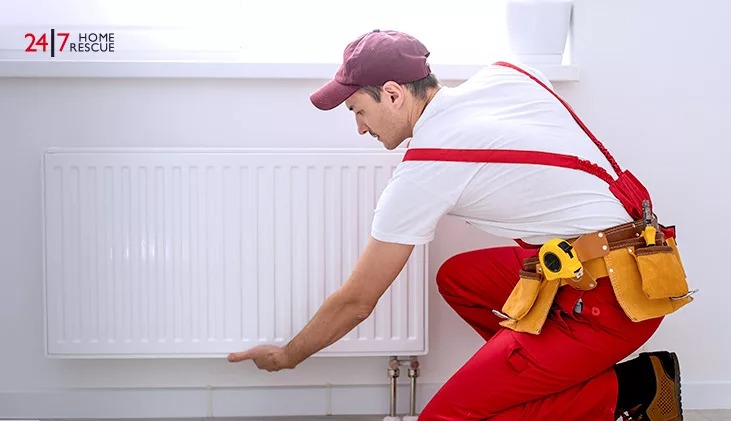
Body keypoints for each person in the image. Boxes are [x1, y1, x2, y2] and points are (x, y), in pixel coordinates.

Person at [227, 29, 693, 421]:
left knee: (447, 418)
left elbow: (356, 301)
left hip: (611, 304)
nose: (361, 130)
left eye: (358, 112)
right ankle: (545, 377)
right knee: (458, 279)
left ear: (392, 93)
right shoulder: (507, 75)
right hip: (633, 258)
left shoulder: (428, 164)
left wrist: (287, 357)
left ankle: (635, 388)